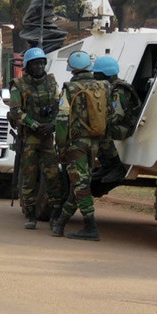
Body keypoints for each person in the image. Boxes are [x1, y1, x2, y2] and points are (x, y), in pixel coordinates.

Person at [52, 51, 112, 241]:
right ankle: (60, 223)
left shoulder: (69, 89)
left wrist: (61, 147)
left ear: (72, 69)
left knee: (80, 184)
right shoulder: (104, 86)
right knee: (79, 184)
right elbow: (109, 114)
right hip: (95, 143)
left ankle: (90, 226)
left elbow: (62, 120)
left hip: (75, 145)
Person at [9, 47, 63, 230]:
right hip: (30, 137)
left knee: (53, 176)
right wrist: (34, 125)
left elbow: (59, 106)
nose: (39, 67)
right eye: (35, 64)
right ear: (28, 66)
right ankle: (30, 215)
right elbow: (15, 112)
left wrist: (53, 124)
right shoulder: (19, 85)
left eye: (42, 63)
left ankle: (56, 215)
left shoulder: (51, 82)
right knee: (29, 177)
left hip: (48, 137)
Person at [92, 56, 141, 183]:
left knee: (101, 131)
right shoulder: (108, 87)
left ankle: (116, 167)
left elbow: (116, 116)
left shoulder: (118, 90)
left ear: (106, 74)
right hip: (117, 125)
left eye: (97, 74)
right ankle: (107, 166)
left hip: (125, 127)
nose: (94, 76)